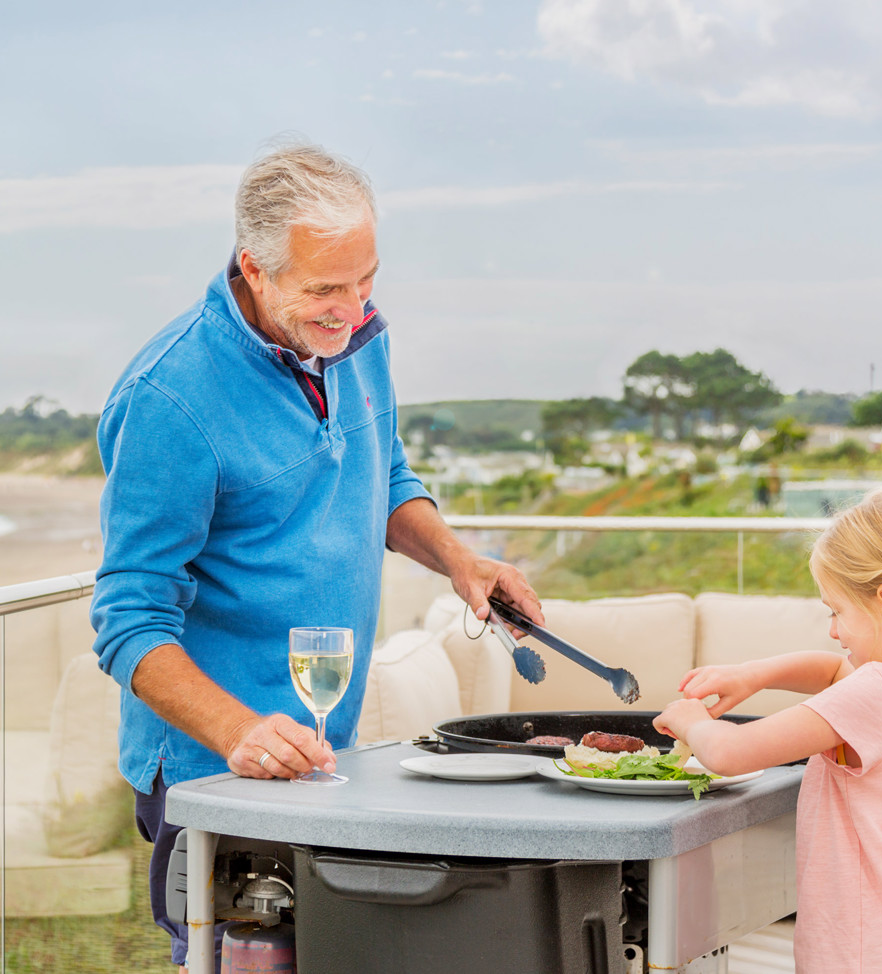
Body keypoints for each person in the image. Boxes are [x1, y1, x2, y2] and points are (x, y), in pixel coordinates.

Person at [91, 141, 543, 969]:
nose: (352, 308)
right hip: (214, 771)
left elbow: (383, 473)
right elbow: (127, 621)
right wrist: (239, 732)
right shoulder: (167, 398)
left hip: (324, 754)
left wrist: (457, 560)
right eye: (325, 289)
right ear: (254, 268)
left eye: (365, 279)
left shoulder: (358, 336)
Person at [654, 487, 882, 973]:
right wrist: (753, 675)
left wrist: (690, 719)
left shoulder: (878, 691)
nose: (833, 630)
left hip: (867, 953)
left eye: (836, 610)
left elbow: (732, 753)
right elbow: (833, 671)